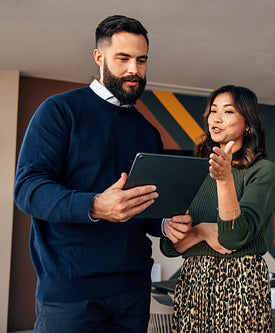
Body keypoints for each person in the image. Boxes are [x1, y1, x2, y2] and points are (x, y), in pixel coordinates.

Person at [14, 15, 192, 333]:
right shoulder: (59, 111)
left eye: (141, 60)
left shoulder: (149, 132)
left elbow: (144, 203)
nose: (134, 70)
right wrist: (95, 205)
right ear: (99, 57)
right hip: (70, 294)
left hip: (133, 290)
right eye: (123, 58)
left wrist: (165, 223)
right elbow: (28, 189)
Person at [160, 85, 275, 332]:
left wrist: (224, 180)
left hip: (241, 282)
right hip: (193, 282)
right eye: (213, 111)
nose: (215, 118)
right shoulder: (194, 172)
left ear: (248, 123)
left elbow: (234, 236)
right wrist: (202, 231)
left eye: (228, 111)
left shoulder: (263, 171)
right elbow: (170, 245)